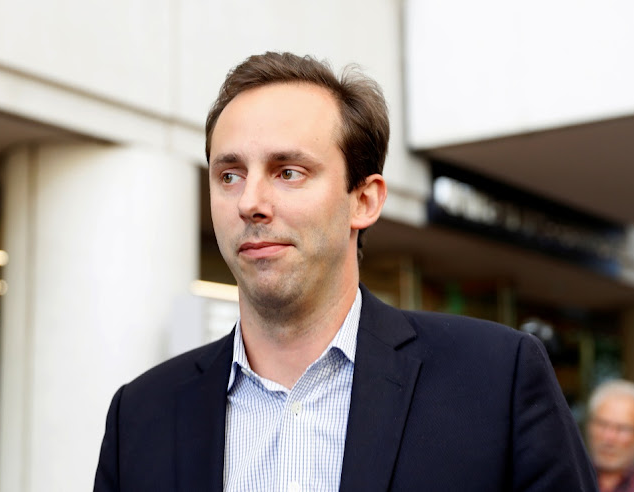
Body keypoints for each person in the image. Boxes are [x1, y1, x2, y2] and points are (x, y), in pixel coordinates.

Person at [94, 52, 597, 491]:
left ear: (364, 199)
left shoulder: (494, 379)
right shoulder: (140, 415)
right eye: (230, 175)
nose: (250, 202)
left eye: (288, 172)